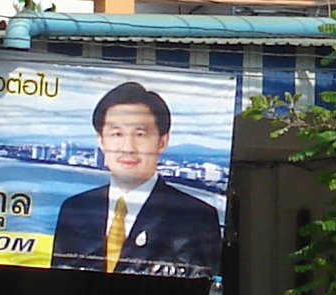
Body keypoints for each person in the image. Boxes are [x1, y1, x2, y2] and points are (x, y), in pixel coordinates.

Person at [49, 82, 223, 275]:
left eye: (140, 134)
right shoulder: (75, 209)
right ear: (101, 141)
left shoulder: (196, 217)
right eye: (116, 134)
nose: (128, 147)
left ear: (162, 142)